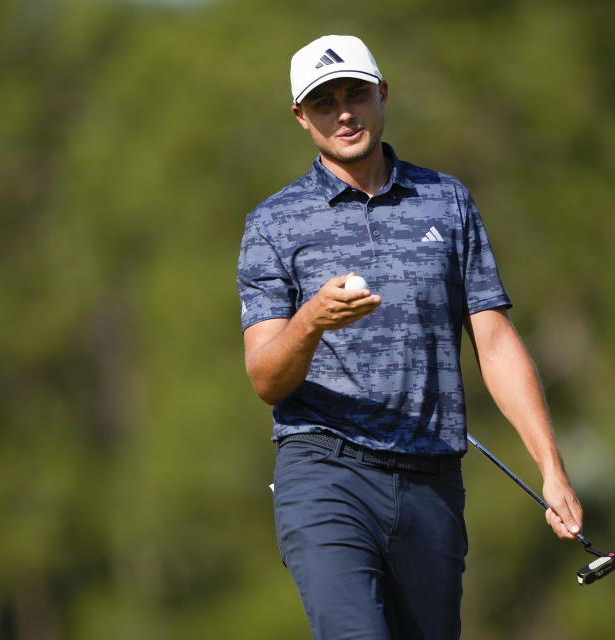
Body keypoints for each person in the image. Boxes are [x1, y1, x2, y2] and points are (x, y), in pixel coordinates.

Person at [237, 34, 583, 640]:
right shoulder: (273, 222)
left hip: (431, 482)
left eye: (356, 95)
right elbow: (266, 377)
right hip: (325, 470)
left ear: (383, 94)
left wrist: (551, 468)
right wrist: (312, 320)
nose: (344, 112)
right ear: (301, 117)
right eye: (324, 103)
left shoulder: (446, 201)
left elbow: (495, 341)